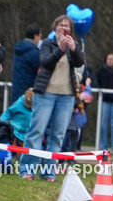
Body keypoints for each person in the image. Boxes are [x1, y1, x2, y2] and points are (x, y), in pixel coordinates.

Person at [18, 15, 84, 180]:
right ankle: (27, 170)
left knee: (58, 135)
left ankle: (48, 171)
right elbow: (46, 62)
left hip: (66, 96)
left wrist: (73, 49)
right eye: (61, 25)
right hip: (45, 94)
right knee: (37, 131)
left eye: (67, 26)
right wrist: (60, 49)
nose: (63, 28)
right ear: (55, 27)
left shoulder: (74, 45)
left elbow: (79, 63)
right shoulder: (47, 44)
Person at [11, 25, 42, 99]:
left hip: (16, 87)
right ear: (35, 36)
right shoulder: (34, 52)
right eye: (39, 37)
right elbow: (38, 71)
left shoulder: (18, 49)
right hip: (28, 90)